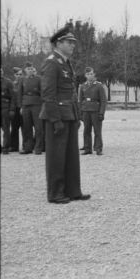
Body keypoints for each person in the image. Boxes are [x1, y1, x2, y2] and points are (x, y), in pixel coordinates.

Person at [39, 25, 91, 204]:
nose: (73, 45)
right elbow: (48, 94)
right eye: (69, 42)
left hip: (68, 115)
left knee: (70, 156)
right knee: (56, 156)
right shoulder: (51, 62)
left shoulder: (65, 63)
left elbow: (71, 93)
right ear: (58, 43)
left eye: (73, 42)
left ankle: (72, 190)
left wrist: (76, 116)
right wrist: (55, 119)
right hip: (57, 117)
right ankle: (55, 193)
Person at [78, 66, 107, 155]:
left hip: (95, 110)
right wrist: (80, 113)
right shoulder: (83, 86)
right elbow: (80, 100)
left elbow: (103, 100)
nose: (90, 75)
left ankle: (98, 148)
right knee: (86, 130)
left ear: (94, 74)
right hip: (86, 110)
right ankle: (87, 149)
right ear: (85, 75)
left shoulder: (99, 86)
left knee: (97, 131)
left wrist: (101, 113)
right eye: (88, 74)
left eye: (91, 74)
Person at [20, 62, 44, 155]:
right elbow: (20, 93)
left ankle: (38, 148)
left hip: (36, 104)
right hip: (26, 105)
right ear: (25, 70)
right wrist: (21, 106)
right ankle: (27, 147)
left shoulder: (39, 79)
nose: (30, 70)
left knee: (38, 127)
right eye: (28, 69)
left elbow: (42, 93)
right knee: (27, 127)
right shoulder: (22, 80)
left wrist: (42, 105)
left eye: (31, 68)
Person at [0, 67, 15, 154]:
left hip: (5, 108)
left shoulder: (8, 82)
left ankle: (6, 147)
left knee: (6, 128)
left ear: (3, 72)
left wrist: (12, 109)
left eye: (1, 71)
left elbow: (13, 97)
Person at [10, 67, 24, 152]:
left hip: (23, 108)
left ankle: (25, 145)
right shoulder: (12, 84)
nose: (19, 76)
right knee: (14, 128)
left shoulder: (25, 83)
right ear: (14, 75)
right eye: (17, 74)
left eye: (20, 74)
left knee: (25, 128)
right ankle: (14, 146)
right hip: (15, 108)